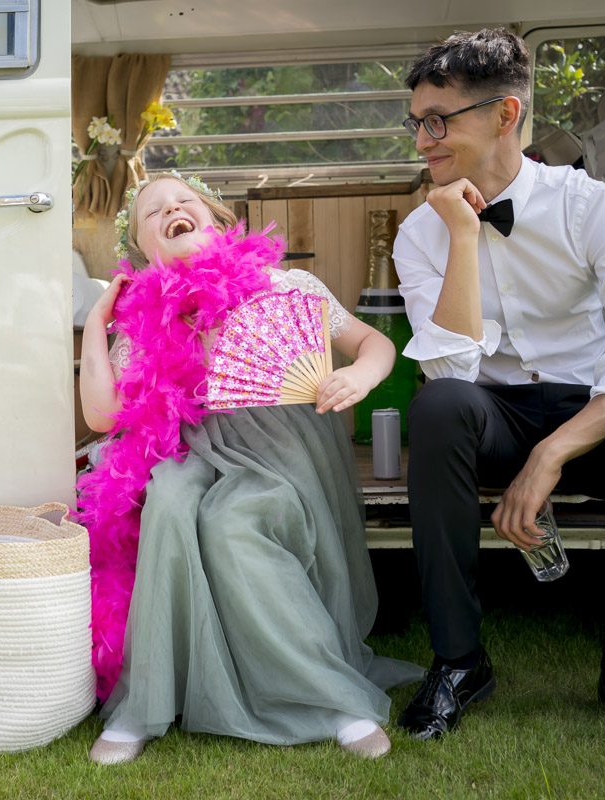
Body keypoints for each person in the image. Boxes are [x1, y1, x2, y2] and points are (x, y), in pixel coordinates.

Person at [391, 29, 605, 761]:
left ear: (505, 115)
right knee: (437, 409)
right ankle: (460, 663)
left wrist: (552, 456)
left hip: (588, 406)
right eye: (416, 122)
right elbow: (451, 375)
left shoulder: (586, 205)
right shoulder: (422, 232)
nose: (422, 141)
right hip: (489, 409)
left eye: (438, 121)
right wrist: (462, 238)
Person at [77, 172, 422, 765]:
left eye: (184, 202)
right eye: (154, 212)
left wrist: (360, 376)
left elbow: (375, 344)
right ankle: (146, 703)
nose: (172, 210)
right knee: (169, 500)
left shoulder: (286, 286)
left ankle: (329, 695)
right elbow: (104, 415)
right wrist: (97, 324)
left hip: (279, 448)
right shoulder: (147, 316)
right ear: (144, 250)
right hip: (191, 448)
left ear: (213, 218)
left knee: (235, 523)